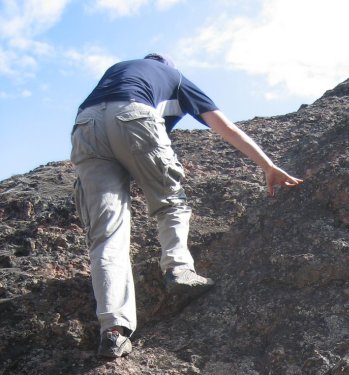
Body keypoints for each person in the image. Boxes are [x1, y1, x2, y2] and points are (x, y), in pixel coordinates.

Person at [71, 53, 303, 359]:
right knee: (171, 203)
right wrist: (267, 165)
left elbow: (107, 117)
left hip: (84, 125)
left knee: (107, 235)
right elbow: (224, 127)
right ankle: (179, 268)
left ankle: (113, 331)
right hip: (133, 115)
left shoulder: (118, 71)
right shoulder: (175, 78)